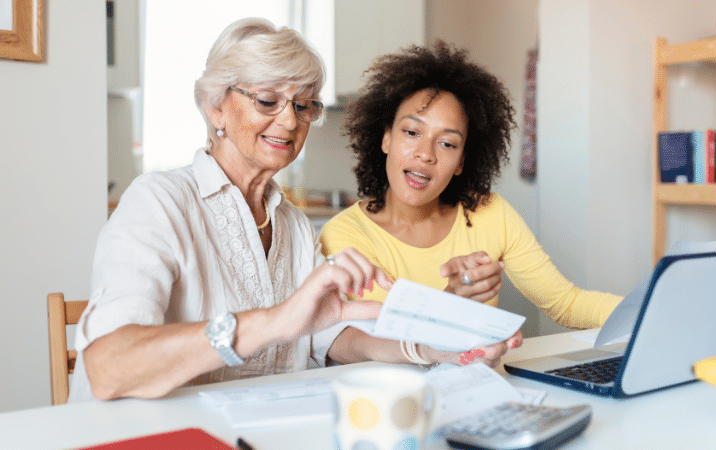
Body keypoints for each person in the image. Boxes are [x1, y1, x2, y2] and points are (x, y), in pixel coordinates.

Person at [69, 18, 392, 402]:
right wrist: (272, 322)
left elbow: (324, 336)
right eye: (267, 100)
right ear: (216, 108)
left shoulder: (295, 225)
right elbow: (109, 368)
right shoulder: (158, 202)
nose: (290, 121)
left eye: (303, 105)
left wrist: (421, 350)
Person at [319, 41, 623, 364]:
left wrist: (652, 309)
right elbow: (365, 345)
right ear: (386, 138)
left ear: (462, 161)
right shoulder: (343, 236)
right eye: (411, 132)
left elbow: (567, 303)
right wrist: (451, 302)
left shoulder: (489, 213)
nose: (426, 153)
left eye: (447, 143)